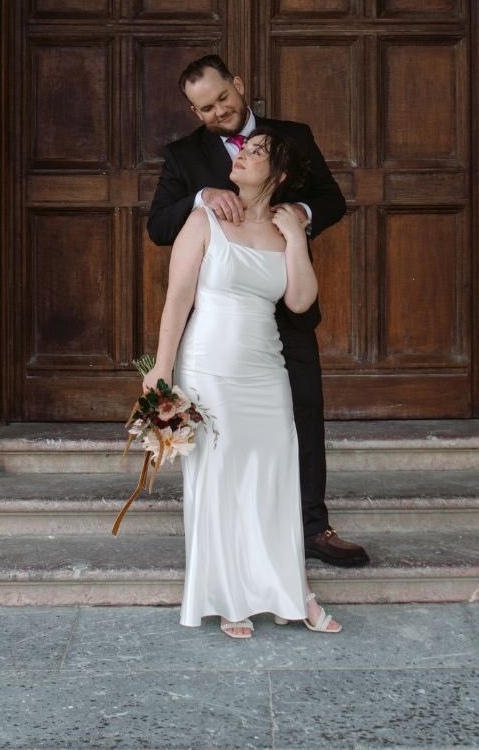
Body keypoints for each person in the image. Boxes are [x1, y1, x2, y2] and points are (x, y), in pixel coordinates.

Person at [147, 54, 369, 568]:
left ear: (239, 85)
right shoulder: (184, 157)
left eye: (223, 99)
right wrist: (200, 197)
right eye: (204, 109)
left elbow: (331, 200)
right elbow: (158, 226)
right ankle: (241, 537)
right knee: (228, 433)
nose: (218, 113)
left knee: (303, 414)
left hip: (284, 304)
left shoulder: (290, 136)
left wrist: (300, 214)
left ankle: (314, 528)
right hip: (224, 323)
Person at [143, 128, 341, 636]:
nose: (242, 155)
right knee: (221, 481)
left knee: (273, 480)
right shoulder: (202, 218)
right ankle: (228, 594)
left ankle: (288, 592)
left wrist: (297, 236)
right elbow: (178, 298)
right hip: (209, 368)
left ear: (277, 177)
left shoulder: (285, 228)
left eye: (256, 153)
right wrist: (161, 370)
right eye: (243, 149)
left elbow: (299, 302)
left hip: (265, 371)